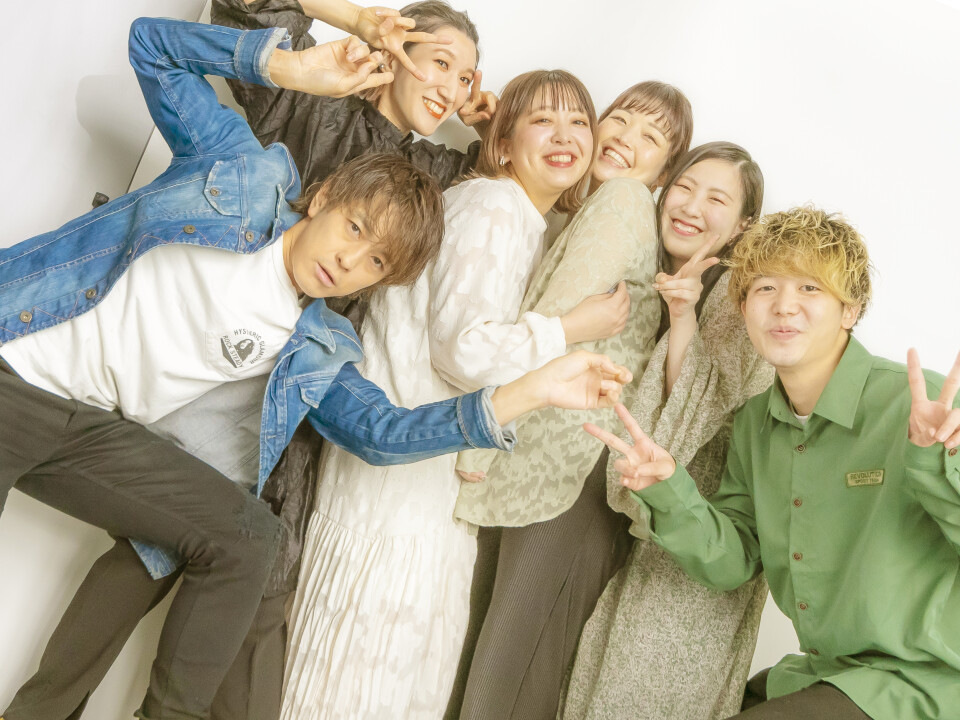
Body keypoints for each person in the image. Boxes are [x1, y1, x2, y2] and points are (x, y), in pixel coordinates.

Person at [0, 17, 631, 720]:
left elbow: (383, 430)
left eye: (376, 262)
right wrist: (296, 67)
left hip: (94, 430)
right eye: (354, 230)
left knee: (250, 542)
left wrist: (530, 389)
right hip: (13, 370)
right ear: (324, 198)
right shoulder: (244, 174)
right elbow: (153, 46)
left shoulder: (314, 343)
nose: (348, 262)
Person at [279, 68, 629, 719]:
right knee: (356, 681)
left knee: (394, 681)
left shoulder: (523, 220)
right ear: (504, 145)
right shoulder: (494, 206)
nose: (564, 135)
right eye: (543, 120)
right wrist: (569, 329)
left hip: (428, 480)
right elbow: (464, 350)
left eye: (578, 121)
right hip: (397, 478)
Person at [585, 206, 960, 719]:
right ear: (743, 308)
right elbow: (733, 560)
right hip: (826, 674)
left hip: (927, 681)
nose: (784, 306)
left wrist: (934, 463)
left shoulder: (926, 407)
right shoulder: (754, 425)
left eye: (810, 288)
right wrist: (668, 487)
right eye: (766, 288)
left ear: (849, 311)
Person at [446, 81, 694, 720]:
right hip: (550, 465)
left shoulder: (622, 199)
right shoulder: (600, 206)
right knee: (506, 664)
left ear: (664, 170)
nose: (625, 139)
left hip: (564, 468)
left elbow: (556, 311)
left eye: (650, 138)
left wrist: (482, 435)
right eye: (620, 119)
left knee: (504, 670)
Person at [561, 142, 774, 720]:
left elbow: (691, 412)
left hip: (701, 549)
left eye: (717, 199)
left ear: (743, 224)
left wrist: (683, 316)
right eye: (685, 186)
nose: (692, 206)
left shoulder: (739, 293)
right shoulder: (668, 272)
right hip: (659, 529)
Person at [212, 0, 495, 191]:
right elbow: (246, 8)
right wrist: (354, 17)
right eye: (442, 63)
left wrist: (490, 129)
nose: (451, 93)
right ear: (391, 57)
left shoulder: (427, 172)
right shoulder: (309, 98)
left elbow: (506, 169)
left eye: (464, 79)